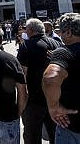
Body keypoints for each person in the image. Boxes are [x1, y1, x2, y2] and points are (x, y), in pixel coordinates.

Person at [17, 18, 62, 144]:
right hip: (55, 98)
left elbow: (22, 73)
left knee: (32, 135)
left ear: (31, 30)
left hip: (34, 99)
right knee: (55, 133)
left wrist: (22, 96)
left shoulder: (25, 46)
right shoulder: (57, 43)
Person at [42, 13, 80, 143]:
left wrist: (53, 107)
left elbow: (50, 78)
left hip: (73, 126)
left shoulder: (64, 51)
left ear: (69, 33)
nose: (60, 35)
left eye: (61, 32)